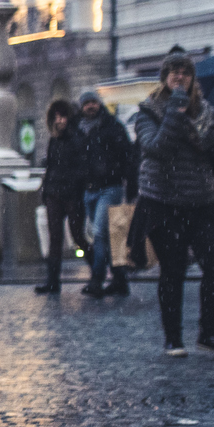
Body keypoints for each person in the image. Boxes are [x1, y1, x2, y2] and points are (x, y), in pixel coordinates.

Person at [131, 52, 214, 356]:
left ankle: (209, 332)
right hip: (162, 202)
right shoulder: (147, 111)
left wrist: (212, 141)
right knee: (173, 269)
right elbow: (156, 148)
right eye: (173, 72)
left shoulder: (206, 111)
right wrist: (174, 114)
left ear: (192, 78)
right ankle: (173, 338)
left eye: (185, 72)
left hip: (201, 202)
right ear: (165, 76)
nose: (179, 77)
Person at [75, 89, 136, 298]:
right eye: (86, 103)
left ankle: (97, 279)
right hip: (89, 189)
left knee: (100, 233)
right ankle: (120, 280)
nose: (90, 106)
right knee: (107, 237)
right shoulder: (79, 129)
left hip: (111, 187)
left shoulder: (113, 126)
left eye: (93, 102)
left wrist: (129, 184)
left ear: (99, 104)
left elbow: (129, 155)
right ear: (81, 107)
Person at [35, 99, 89, 295]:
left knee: (78, 237)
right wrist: (46, 191)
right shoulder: (54, 139)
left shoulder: (77, 137)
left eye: (62, 116)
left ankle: (99, 274)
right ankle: (52, 281)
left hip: (71, 195)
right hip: (54, 194)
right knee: (55, 238)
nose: (59, 121)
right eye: (56, 117)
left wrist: (75, 190)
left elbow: (81, 168)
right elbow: (50, 168)